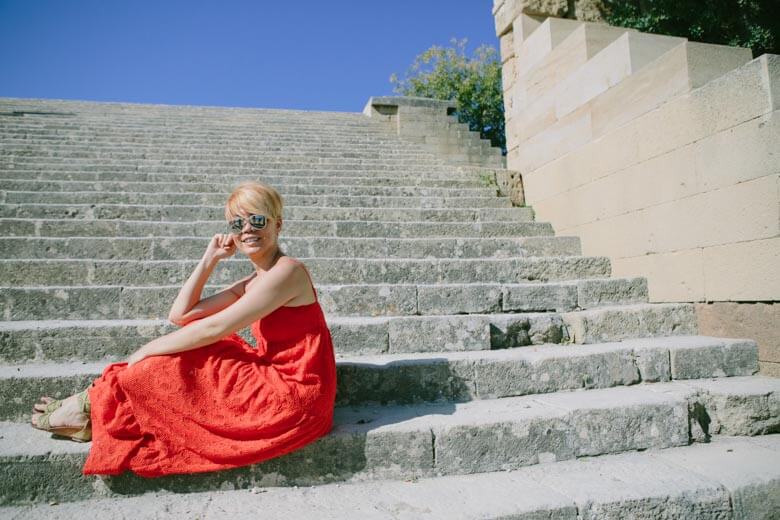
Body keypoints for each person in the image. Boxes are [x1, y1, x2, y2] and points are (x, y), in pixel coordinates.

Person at [30, 181, 338, 477]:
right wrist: (210, 259)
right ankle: (90, 405)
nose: (247, 230)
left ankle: (88, 409)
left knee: (189, 353)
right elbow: (182, 314)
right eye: (237, 224)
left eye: (257, 220)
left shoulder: (288, 272)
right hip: (276, 379)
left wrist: (146, 349)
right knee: (194, 351)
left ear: (277, 225)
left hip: (295, 398)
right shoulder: (254, 281)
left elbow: (215, 326)